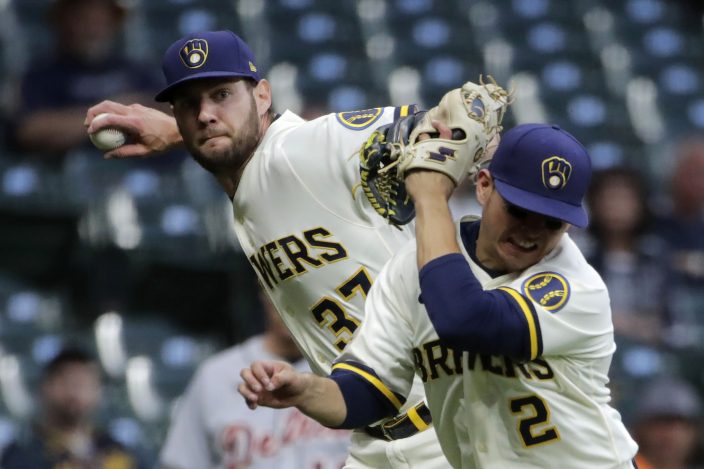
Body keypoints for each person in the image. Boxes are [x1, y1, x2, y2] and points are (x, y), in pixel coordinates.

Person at [85, 29, 509, 467]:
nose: (206, 114)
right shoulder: (251, 182)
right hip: (376, 440)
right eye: (190, 104)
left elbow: (472, 109)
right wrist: (178, 132)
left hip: (450, 429)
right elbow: (225, 135)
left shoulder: (299, 150)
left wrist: (450, 139)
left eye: (222, 94)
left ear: (263, 95)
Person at [239, 124, 639, 468]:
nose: (532, 231)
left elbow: (464, 320)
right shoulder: (409, 268)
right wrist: (304, 390)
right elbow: (369, 393)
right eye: (518, 209)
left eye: (552, 221)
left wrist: (430, 197)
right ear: (484, 186)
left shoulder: (574, 287)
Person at [160, 288, 351, 469]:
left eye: (302, 290)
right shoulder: (215, 374)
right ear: (263, 290)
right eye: (282, 288)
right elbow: (182, 462)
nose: (293, 301)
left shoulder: (354, 371)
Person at [12, 0, 161, 159]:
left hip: (139, 171)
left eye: (100, 18)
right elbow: (30, 130)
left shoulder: (136, 71)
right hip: (69, 173)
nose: (92, 28)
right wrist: (111, 113)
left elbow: (170, 116)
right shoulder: (42, 75)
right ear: (63, 21)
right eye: (82, 18)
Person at [0, 347, 143, 468]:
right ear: (45, 388)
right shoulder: (24, 453)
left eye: (84, 383)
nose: (75, 392)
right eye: (67, 382)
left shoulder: (116, 450)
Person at [583, 167, 668, 345]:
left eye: (624, 198)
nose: (616, 206)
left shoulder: (658, 258)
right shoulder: (580, 259)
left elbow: (673, 320)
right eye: (610, 197)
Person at [631, 376, 702, 469]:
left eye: (677, 424)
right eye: (658, 423)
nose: (668, 435)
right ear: (640, 429)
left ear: (693, 431)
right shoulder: (622, 465)